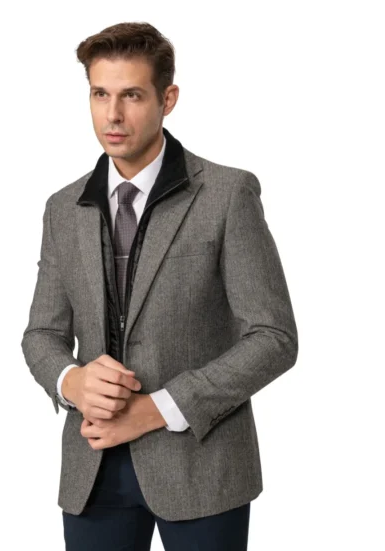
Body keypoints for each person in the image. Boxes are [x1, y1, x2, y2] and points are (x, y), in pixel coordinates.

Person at [21, 21, 298, 551]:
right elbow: (42, 334)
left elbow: (274, 337)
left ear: (167, 99)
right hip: (92, 468)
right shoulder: (63, 208)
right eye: (99, 94)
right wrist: (70, 381)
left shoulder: (227, 194)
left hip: (203, 466)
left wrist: (159, 408)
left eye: (131, 95)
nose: (112, 115)